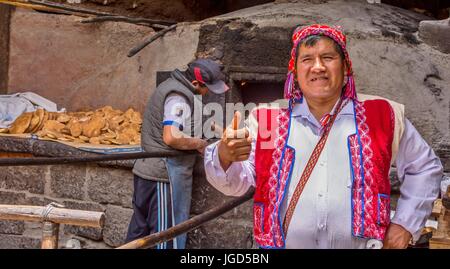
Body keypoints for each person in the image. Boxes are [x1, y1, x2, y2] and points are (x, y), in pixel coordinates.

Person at [203, 24, 443, 249]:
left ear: (346, 66)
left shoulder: (382, 115)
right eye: (307, 59)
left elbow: (424, 167)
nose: (317, 66)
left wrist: (405, 224)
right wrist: (225, 156)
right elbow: (237, 183)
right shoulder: (267, 119)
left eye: (328, 58)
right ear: (295, 72)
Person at [126, 59, 229, 249]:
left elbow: (202, 119)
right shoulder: (178, 97)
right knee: (166, 238)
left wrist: (227, 133)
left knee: (138, 236)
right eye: (208, 88)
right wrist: (200, 144)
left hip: (148, 173)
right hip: (163, 176)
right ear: (196, 83)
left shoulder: (179, 88)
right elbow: (172, 137)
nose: (208, 93)